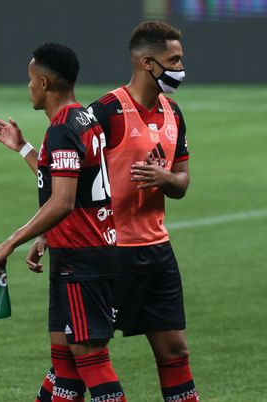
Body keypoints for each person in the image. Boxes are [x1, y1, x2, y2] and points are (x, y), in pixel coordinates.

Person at [0, 43, 125, 402]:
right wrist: (24, 148)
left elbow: (62, 201)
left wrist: (10, 242)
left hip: (83, 258)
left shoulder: (62, 129)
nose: (27, 86)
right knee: (64, 361)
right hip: (82, 252)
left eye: (30, 79)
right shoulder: (82, 118)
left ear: (44, 82)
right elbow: (67, 185)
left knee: (90, 359)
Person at [86, 21, 198, 401]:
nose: (182, 68)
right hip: (109, 254)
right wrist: (53, 236)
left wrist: (164, 178)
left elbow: (182, 183)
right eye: (175, 60)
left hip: (157, 253)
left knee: (175, 351)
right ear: (148, 62)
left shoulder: (173, 112)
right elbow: (68, 179)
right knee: (83, 357)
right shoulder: (105, 112)